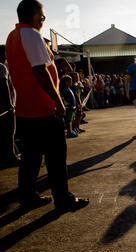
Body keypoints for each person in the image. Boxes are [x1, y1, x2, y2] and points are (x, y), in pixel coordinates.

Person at [6, 0, 88, 210]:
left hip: (25, 108)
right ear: (33, 15)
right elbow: (39, 70)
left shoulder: (12, 37)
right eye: (42, 16)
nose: (43, 20)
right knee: (56, 155)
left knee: (31, 158)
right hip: (42, 107)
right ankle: (63, 198)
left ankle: (28, 196)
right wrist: (58, 101)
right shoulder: (32, 35)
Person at [0, 44, 20, 167]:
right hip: (5, 108)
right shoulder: (2, 67)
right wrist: (10, 105)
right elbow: (4, 86)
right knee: (9, 133)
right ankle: (10, 157)